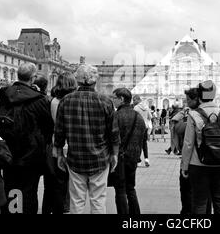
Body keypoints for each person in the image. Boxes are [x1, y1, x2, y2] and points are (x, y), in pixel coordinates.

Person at [54, 64, 119, 214]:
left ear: (77, 81)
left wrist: (58, 154)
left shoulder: (66, 101)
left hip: (75, 157)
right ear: (95, 80)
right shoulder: (105, 101)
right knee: (98, 200)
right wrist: (114, 154)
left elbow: (59, 132)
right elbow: (114, 133)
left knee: (76, 201)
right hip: (100, 158)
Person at [0, 63, 54, 214]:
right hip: (32, 153)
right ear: (33, 78)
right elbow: (48, 128)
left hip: (8, 151)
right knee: (29, 191)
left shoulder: (4, 94)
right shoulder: (40, 99)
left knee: (11, 188)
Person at [181, 80, 220, 214]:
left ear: (199, 95)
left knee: (200, 202)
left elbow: (188, 143)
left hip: (199, 164)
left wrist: (184, 166)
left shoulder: (194, 114)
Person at [42, 72, 77, 214]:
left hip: (54, 144)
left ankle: (48, 209)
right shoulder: (73, 101)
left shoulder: (52, 101)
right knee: (66, 182)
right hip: (70, 144)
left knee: (51, 182)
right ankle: (63, 207)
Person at [111, 88, 146, 214]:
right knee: (130, 188)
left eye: (114, 98)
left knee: (120, 190)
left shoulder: (116, 116)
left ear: (121, 99)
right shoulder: (139, 117)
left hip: (120, 158)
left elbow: (113, 137)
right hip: (133, 158)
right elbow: (143, 139)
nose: (112, 100)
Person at [133, 95, 152, 167]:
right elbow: (150, 117)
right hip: (145, 127)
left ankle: (138, 160)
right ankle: (146, 158)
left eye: (134, 100)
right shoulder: (147, 107)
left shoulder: (136, 108)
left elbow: (134, 117)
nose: (133, 102)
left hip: (137, 128)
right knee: (144, 144)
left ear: (137, 100)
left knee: (137, 144)